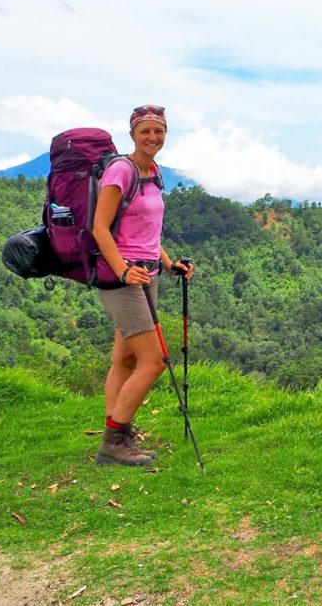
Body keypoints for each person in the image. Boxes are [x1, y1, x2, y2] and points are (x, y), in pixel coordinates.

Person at [91, 104, 194, 466]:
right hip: (122, 279)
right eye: (145, 131)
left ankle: (119, 429)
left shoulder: (154, 172)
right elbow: (99, 228)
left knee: (125, 358)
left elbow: (146, 232)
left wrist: (168, 263)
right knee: (154, 361)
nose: (152, 137)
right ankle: (113, 442)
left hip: (148, 275)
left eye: (158, 131)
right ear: (132, 134)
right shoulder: (121, 171)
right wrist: (123, 271)